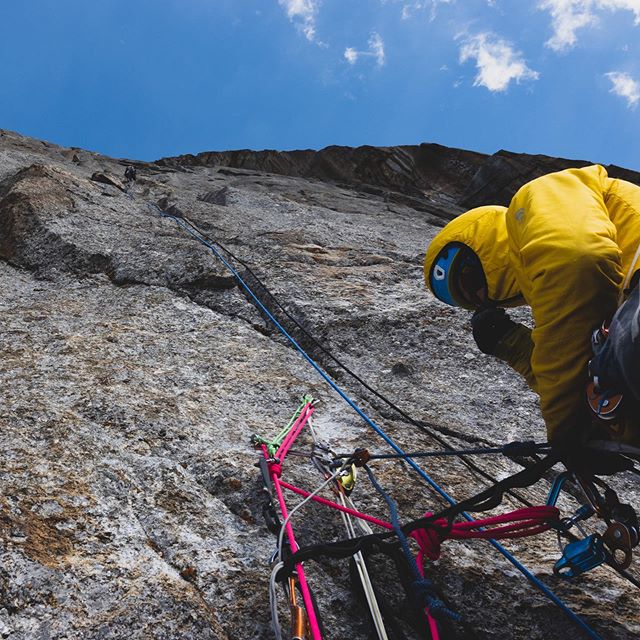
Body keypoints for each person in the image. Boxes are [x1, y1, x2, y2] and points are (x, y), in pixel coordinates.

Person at [423, 164, 640, 449]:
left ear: (485, 241)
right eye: (471, 300)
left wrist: (567, 431)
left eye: (470, 277)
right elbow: (582, 379)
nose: (479, 295)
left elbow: (578, 261)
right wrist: (516, 347)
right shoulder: (582, 309)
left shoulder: (536, 197)